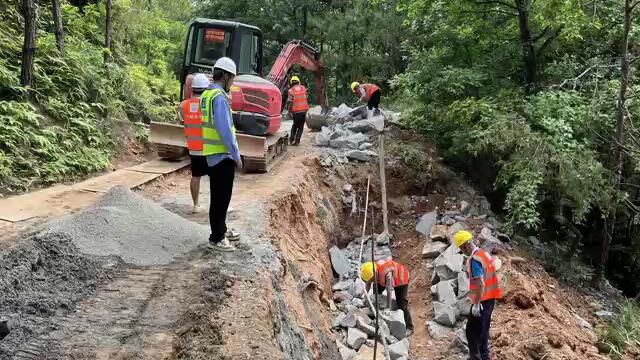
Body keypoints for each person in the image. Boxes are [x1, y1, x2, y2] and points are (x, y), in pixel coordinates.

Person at [199, 57, 242, 252]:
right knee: (221, 198)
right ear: (225, 76)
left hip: (211, 153)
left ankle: (221, 230)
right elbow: (225, 130)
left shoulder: (206, 95)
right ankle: (216, 238)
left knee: (218, 197)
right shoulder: (219, 98)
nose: (232, 82)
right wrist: (236, 155)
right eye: (232, 78)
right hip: (223, 155)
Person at [453, 230, 503, 360]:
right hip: (490, 297)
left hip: (482, 300)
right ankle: (480, 356)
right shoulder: (484, 253)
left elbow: (480, 282)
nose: (462, 251)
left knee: (475, 332)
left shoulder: (474, 260)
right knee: (479, 330)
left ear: (465, 245)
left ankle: (479, 357)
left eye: (461, 248)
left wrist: (476, 304)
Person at [178, 73, 210, 214]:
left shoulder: (183, 105)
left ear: (193, 89)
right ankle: (216, 206)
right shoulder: (209, 104)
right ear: (205, 89)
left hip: (194, 149)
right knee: (215, 177)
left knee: (195, 176)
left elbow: (182, 119)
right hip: (210, 147)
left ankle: (196, 205)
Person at [360, 259, 414, 336]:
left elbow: (389, 291)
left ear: (375, 274)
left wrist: (388, 308)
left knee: (401, 303)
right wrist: (364, 297)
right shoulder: (372, 270)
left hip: (401, 278)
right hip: (384, 277)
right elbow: (368, 282)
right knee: (376, 292)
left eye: (372, 279)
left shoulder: (387, 274)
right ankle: (377, 312)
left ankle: (410, 327)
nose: (371, 281)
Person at [286, 75, 309, 145]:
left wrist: (289, 112)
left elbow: (290, 102)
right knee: (301, 126)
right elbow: (306, 97)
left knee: (295, 125)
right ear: (299, 82)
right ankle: (297, 141)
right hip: (303, 112)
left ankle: (291, 139)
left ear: (291, 83)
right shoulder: (303, 88)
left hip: (296, 112)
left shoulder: (290, 91)